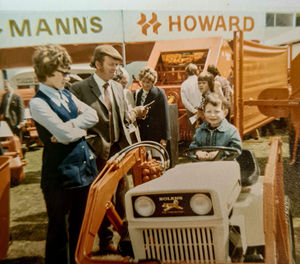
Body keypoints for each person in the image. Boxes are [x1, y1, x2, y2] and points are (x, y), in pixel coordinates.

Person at [70, 45, 147, 254]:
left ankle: (125, 237)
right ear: (98, 65)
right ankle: (105, 240)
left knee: (121, 196)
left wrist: (135, 113)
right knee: (102, 198)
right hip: (95, 154)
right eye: (112, 65)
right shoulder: (79, 90)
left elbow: (122, 118)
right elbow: (76, 122)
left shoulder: (117, 88)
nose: (116, 69)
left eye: (118, 65)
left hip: (119, 151)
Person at [29, 44, 99, 264]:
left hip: (84, 171)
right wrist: (75, 130)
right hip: (59, 178)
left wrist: (70, 128)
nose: (67, 77)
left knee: (80, 228)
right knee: (58, 233)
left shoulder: (66, 94)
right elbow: (64, 134)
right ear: (47, 71)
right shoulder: (38, 103)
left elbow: (94, 115)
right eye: (63, 72)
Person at [190, 93, 242, 161]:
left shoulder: (231, 131)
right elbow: (193, 146)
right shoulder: (200, 130)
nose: (212, 115)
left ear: (225, 113)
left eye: (217, 111)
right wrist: (197, 152)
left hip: (225, 166)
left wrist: (220, 154)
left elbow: (236, 150)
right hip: (204, 165)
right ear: (204, 113)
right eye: (208, 112)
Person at [135, 66, 170, 147]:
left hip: (156, 134)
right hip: (142, 133)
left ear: (153, 82)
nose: (145, 84)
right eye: (143, 81)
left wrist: (164, 137)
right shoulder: (138, 94)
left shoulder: (159, 93)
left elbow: (165, 116)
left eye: (148, 82)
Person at [180, 63, 202, 135]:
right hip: (202, 111)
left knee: (194, 132)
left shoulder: (184, 84)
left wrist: (193, 110)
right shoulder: (201, 82)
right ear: (197, 71)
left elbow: (184, 101)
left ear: (187, 73)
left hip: (191, 112)